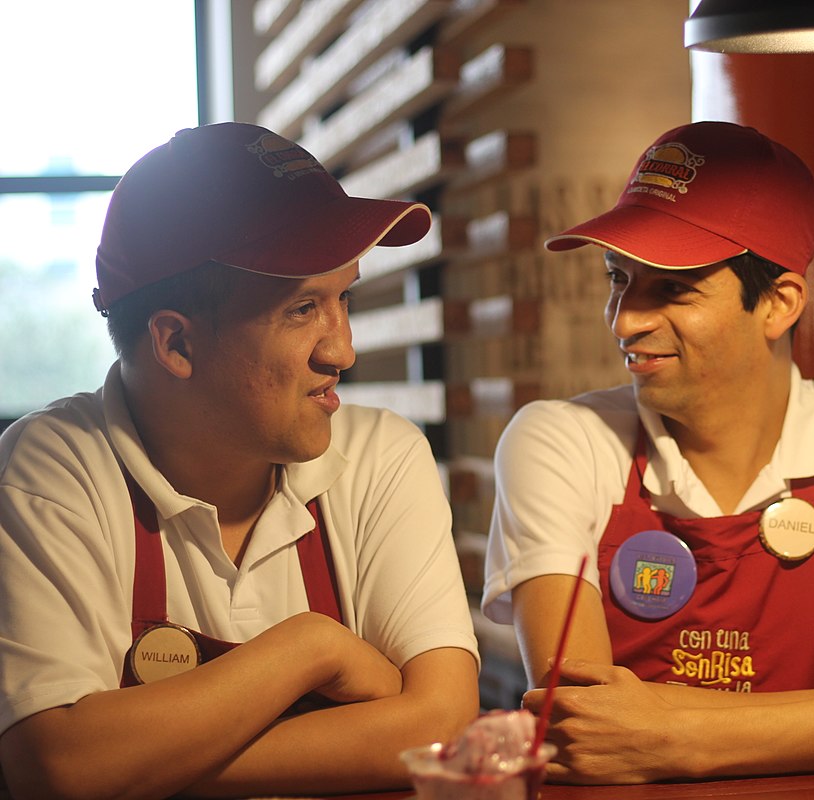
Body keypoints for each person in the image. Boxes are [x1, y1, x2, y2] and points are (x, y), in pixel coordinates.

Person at [481, 120, 814, 783]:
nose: (625, 320)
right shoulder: (557, 439)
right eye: (618, 279)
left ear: (778, 304)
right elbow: (585, 726)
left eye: (671, 288)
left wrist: (680, 737)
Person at [0, 122, 480, 799]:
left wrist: (147, 765)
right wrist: (312, 648)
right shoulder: (54, 467)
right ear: (177, 345)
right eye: (302, 309)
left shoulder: (382, 456)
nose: (341, 351)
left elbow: (441, 725)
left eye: (345, 298)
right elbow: (55, 766)